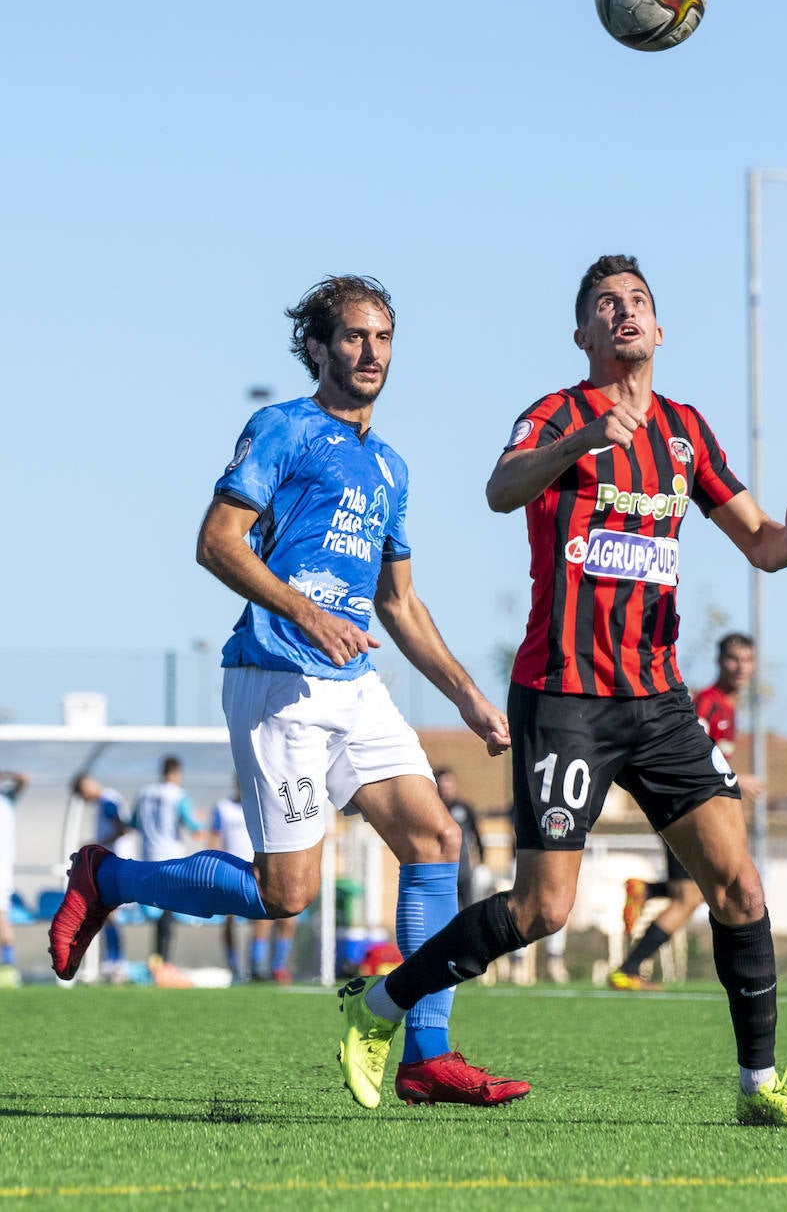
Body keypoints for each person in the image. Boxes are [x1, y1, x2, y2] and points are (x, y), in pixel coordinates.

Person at [338, 253, 787, 1129]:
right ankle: (380, 1006)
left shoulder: (685, 430)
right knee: (543, 908)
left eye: (637, 301)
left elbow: (759, 543)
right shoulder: (557, 414)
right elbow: (499, 490)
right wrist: (579, 443)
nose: (624, 312)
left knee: (741, 890)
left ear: (660, 329)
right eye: (606, 304)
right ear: (583, 334)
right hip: (564, 697)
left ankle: (759, 1086)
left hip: (660, 701)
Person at [50, 273, 528, 1109]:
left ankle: (425, 1055)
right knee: (287, 895)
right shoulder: (282, 428)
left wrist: (464, 695)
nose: (371, 351)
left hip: (355, 684)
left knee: (435, 841)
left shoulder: (390, 467)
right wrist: (309, 614)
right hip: (278, 677)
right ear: (317, 346)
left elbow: (399, 602)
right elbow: (217, 542)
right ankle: (109, 879)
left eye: (383, 337)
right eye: (354, 335)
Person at [611, 632, 763, 990]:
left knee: (698, 890)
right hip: (688, 807)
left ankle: (646, 893)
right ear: (720, 661)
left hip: (696, 806)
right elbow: (689, 754)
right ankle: (628, 969)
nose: (740, 667)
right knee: (693, 896)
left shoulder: (728, 706)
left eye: (747, 659)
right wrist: (737, 778)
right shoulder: (708, 703)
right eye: (733, 659)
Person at [209, 780, 296, 983]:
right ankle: (234, 966)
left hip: (255, 872)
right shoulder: (223, 808)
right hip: (228, 873)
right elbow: (215, 839)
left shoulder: (260, 807)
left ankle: (263, 967)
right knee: (228, 920)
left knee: (266, 918)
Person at [130, 756, 204, 966]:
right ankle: (164, 962)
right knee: (168, 910)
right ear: (176, 772)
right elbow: (195, 828)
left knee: (157, 909)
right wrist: (200, 820)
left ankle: (156, 959)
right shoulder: (178, 795)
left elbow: (133, 823)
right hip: (171, 858)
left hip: (148, 858)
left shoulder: (144, 793)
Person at [72, 773, 134, 979]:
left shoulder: (108, 801)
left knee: (110, 914)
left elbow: (121, 828)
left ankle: (117, 963)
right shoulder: (106, 800)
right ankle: (113, 962)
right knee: (107, 914)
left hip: (116, 865)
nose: (86, 798)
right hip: (114, 864)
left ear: (88, 785)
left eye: (83, 793)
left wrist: (96, 845)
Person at [434, 768, 486, 910]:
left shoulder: (464, 808)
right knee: (445, 910)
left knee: (468, 909)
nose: (445, 788)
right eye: (442, 785)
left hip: (463, 871)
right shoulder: (434, 809)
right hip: (441, 872)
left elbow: (476, 835)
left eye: (448, 784)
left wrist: (482, 861)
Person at [0, 770, 29, 987]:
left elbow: (23, 779)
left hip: (2, 869)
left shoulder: (6, 799)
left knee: (1, 916)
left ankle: (8, 969)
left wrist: (4, 774)